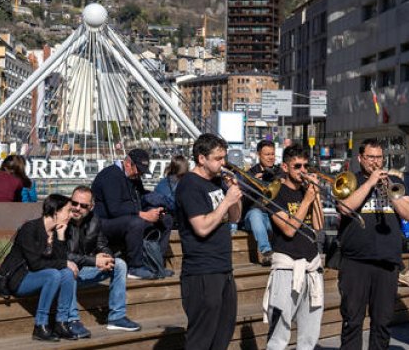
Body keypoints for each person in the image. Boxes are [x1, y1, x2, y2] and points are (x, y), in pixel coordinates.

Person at [335, 139, 409, 350]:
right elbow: (344, 208)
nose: (376, 162)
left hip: (387, 261)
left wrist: (389, 189)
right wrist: (370, 183)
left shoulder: (393, 182)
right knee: (352, 320)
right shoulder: (349, 180)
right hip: (355, 261)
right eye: (371, 157)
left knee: (382, 322)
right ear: (360, 158)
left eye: (379, 157)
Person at [175, 133, 242, 350]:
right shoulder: (189, 185)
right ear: (201, 158)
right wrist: (226, 202)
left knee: (223, 334)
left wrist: (234, 197)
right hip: (202, 270)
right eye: (218, 158)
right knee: (201, 338)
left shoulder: (217, 182)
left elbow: (235, 217)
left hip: (223, 267)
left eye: (224, 157)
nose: (223, 163)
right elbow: (202, 227)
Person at [263, 145, 325, 350]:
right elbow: (289, 230)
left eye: (306, 166)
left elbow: (318, 225)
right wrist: (307, 200)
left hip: (311, 267)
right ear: (285, 167)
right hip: (288, 268)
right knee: (279, 333)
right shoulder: (275, 191)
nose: (303, 170)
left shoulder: (307, 191)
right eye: (297, 166)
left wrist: (315, 197)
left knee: (310, 333)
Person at [59, 185, 141, 336]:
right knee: (68, 270)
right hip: (63, 273)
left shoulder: (94, 221)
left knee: (120, 264)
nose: (77, 208)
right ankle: (71, 320)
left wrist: (106, 258)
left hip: (83, 271)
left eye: (83, 206)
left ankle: (117, 317)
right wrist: (93, 261)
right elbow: (60, 255)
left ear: (91, 207)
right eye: (74, 203)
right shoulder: (61, 218)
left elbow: (102, 245)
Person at [0, 194, 81, 341]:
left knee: (67, 273)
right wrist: (64, 263)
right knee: (54, 274)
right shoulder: (29, 229)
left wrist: (60, 237)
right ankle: (40, 325)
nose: (71, 215)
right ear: (56, 211)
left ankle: (61, 322)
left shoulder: (57, 231)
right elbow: (35, 264)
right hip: (19, 278)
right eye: (68, 211)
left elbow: (60, 262)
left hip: (40, 277)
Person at [92, 148, 170, 279]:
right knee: (136, 222)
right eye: (138, 170)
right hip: (103, 223)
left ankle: (156, 265)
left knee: (166, 220)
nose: (139, 174)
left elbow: (140, 198)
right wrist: (143, 214)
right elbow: (114, 209)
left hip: (125, 218)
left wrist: (157, 207)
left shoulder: (133, 176)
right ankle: (135, 267)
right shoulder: (111, 176)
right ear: (128, 163)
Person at [242, 140, 279, 265]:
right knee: (255, 214)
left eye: (272, 154)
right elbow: (242, 202)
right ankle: (266, 252)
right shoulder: (250, 174)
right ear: (259, 155)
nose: (270, 157)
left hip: (272, 217)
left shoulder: (279, 173)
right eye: (267, 154)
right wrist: (252, 185)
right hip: (253, 218)